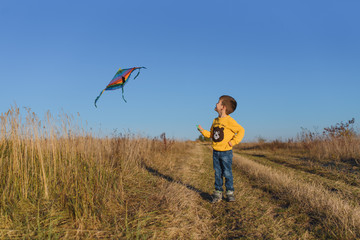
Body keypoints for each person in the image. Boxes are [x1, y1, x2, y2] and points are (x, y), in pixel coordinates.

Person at [197, 95, 245, 203]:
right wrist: (202, 131)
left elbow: (241, 130)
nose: (216, 104)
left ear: (223, 107)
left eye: (218, 102)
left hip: (226, 152)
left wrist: (233, 141)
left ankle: (230, 192)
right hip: (216, 152)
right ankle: (218, 193)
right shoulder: (215, 121)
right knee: (217, 173)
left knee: (227, 172)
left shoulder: (229, 121)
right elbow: (211, 134)